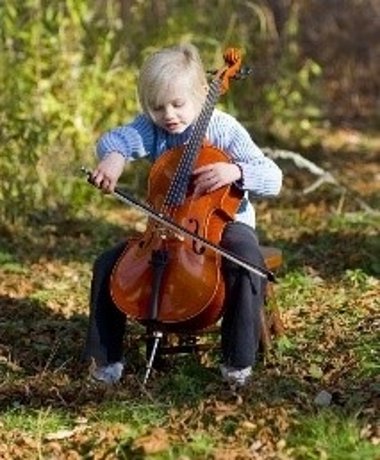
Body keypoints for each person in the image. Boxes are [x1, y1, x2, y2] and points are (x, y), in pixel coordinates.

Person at [82, 43, 282, 388]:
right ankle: (105, 362)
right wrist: (114, 156)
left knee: (245, 258)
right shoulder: (154, 128)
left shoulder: (224, 128)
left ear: (203, 94)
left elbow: (273, 177)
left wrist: (235, 171)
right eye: (158, 107)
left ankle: (237, 363)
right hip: (165, 228)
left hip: (225, 225)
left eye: (178, 104)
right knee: (107, 263)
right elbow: (120, 138)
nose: (169, 115)